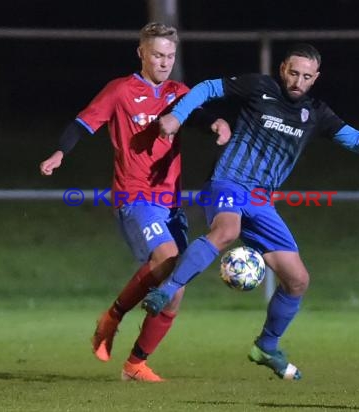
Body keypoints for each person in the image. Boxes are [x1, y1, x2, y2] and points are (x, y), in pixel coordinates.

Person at [142, 43, 359, 380]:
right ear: (283, 69)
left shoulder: (317, 113)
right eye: (294, 73)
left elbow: (356, 141)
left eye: (306, 76)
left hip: (261, 200)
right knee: (227, 231)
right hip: (227, 182)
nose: (298, 81)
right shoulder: (260, 88)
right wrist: (178, 116)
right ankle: (167, 289)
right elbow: (209, 87)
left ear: (315, 78)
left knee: (298, 280)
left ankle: (267, 346)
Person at [39, 22, 230, 382]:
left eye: (170, 56)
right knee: (168, 259)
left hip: (170, 201)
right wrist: (59, 153)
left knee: (176, 289)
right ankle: (111, 317)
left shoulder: (177, 91)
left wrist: (217, 124)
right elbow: (82, 124)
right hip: (134, 196)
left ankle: (135, 364)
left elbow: (198, 115)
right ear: (140, 52)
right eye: (157, 54)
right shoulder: (120, 91)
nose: (164, 62)